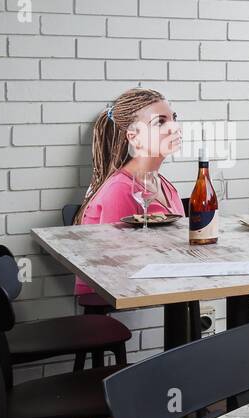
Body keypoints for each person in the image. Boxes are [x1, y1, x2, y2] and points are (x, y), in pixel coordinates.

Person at [74, 88, 184, 297]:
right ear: (134, 138)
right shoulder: (120, 190)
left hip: (161, 283)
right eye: (160, 122)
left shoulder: (165, 185)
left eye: (174, 118)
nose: (174, 127)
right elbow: (118, 266)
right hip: (117, 296)